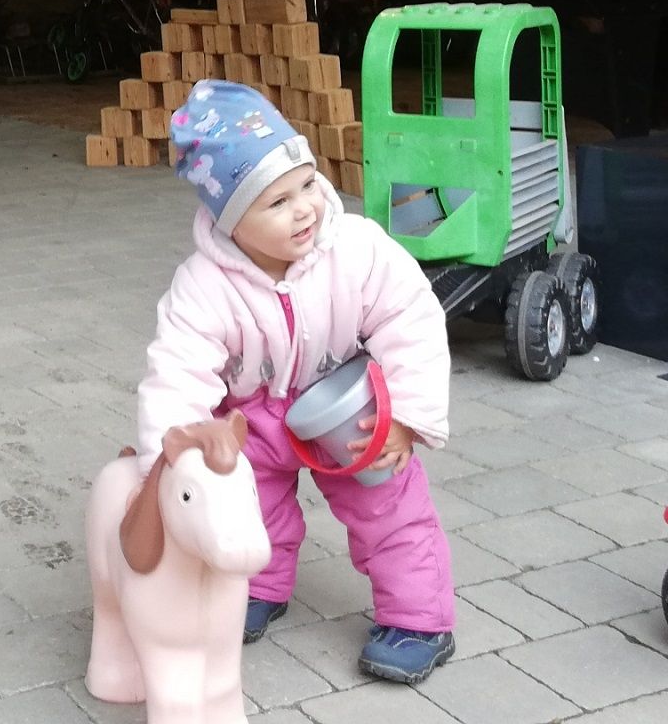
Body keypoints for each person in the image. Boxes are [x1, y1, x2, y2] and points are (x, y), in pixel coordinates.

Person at [138, 80, 457, 683]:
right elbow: (175, 370)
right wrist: (170, 460)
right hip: (253, 417)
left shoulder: (356, 247)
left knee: (387, 503)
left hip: (348, 408)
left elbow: (410, 316)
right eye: (277, 202)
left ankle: (420, 618)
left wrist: (408, 418)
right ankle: (257, 582)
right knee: (245, 500)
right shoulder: (204, 285)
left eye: (307, 183)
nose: (306, 208)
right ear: (231, 219)